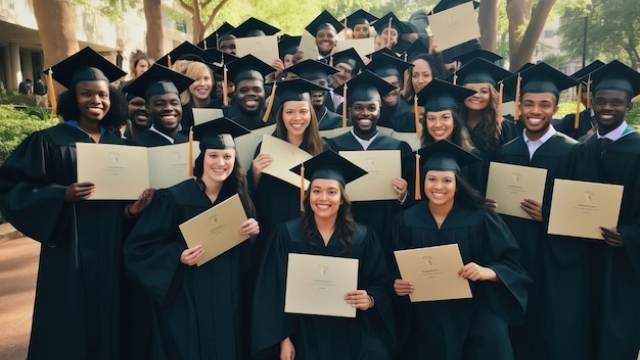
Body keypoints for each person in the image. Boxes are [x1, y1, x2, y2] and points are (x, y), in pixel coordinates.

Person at [0, 47, 153, 360]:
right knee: (69, 319)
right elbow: (11, 185)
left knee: (116, 315)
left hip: (114, 245)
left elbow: (125, 201)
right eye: (87, 94)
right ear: (73, 98)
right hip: (70, 247)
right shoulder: (48, 141)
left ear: (112, 100)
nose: (96, 101)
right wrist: (61, 194)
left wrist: (132, 210)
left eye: (102, 95)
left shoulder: (121, 145)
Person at [124, 117, 260, 360]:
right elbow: (139, 249)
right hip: (187, 302)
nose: (221, 163)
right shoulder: (175, 198)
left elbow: (247, 261)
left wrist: (252, 235)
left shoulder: (238, 199)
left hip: (230, 301)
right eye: (214, 156)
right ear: (201, 158)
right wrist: (177, 255)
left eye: (227, 157)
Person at [391, 140, 530, 360]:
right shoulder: (405, 220)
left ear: (457, 183)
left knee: (491, 334)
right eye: (432, 179)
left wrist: (487, 271)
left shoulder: (481, 218)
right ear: (422, 181)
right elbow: (393, 268)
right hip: (427, 311)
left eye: (447, 180)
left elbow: (511, 263)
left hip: (476, 307)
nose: (438, 186)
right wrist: (398, 284)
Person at [252, 150, 395, 360]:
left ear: (342, 198)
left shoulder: (363, 236)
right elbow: (271, 291)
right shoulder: (286, 234)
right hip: (301, 330)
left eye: (332, 192)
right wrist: (283, 338)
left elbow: (381, 284)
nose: (323, 198)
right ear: (308, 195)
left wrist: (370, 299)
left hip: (350, 330)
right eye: (316, 191)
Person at [494, 62, 588, 360]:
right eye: (529, 104)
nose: (536, 111)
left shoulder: (573, 151)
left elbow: (584, 212)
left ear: (556, 108)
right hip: (515, 248)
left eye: (544, 105)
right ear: (518, 106)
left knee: (550, 322)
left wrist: (549, 215)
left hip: (553, 254)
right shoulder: (506, 150)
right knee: (515, 321)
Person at [570, 60, 640, 360]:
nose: (607, 107)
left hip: (620, 261)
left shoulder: (637, 149)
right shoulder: (581, 146)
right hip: (582, 255)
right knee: (579, 326)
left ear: (629, 105)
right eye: (600, 101)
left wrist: (629, 234)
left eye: (616, 102)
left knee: (615, 332)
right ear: (591, 103)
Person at [325, 70, 412, 257]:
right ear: (350, 110)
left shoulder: (398, 148)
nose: (365, 113)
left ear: (379, 110)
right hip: (346, 229)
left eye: (371, 108)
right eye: (358, 108)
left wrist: (404, 194)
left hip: (385, 228)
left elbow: (412, 199)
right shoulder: (333, 147)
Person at [248, 78, 329, 248]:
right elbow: (256, 200)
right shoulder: (266, 147)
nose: (297, 118)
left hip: (311, 233)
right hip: (273, 232)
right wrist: (254, 175)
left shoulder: (323, 150)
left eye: (303, 111)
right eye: (290, 112)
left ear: (311, 114)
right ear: (281, 115)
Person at [454, 57, 516, 193]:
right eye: (471, 90)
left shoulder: (505, 127)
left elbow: (511, 168)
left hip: (495, 199)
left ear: (492, 95)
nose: (477, 95)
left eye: (484, 91)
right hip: (459, 197)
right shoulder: (453, 125)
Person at [123, 64, 195, 147]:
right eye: (159, 104)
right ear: (148, 108)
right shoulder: (136, 146)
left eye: (174, 103)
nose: (169, 108)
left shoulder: (190, 142)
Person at [552, 60, 605, 140]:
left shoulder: (616, 120)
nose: (585, 97)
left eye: (588, 91)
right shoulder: (571, 122)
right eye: (580, 91)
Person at [223, 55, 278, 129]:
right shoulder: (227, 127)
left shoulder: (276, 127)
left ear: (264, 92)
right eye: (243, 90)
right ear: (235, 93)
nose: (251, 93)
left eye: (257, 89)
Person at [286, 59, 343, 130]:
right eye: (310, 85)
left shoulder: (340, 123)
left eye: (322, 84)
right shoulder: (291, 122)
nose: (317, 89)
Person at [364, 53, 415, 131]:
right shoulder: (368, 115)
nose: (390, 90)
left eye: (394, 84)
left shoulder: (411, 116)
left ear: (400, 85)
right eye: (384, 85)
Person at [323, 48, 364, 112]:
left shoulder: (354, 97)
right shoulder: (322, 92)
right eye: (340, 68)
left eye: (348, 71)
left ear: (352, 76)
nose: (343, 74)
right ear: (332, 68)